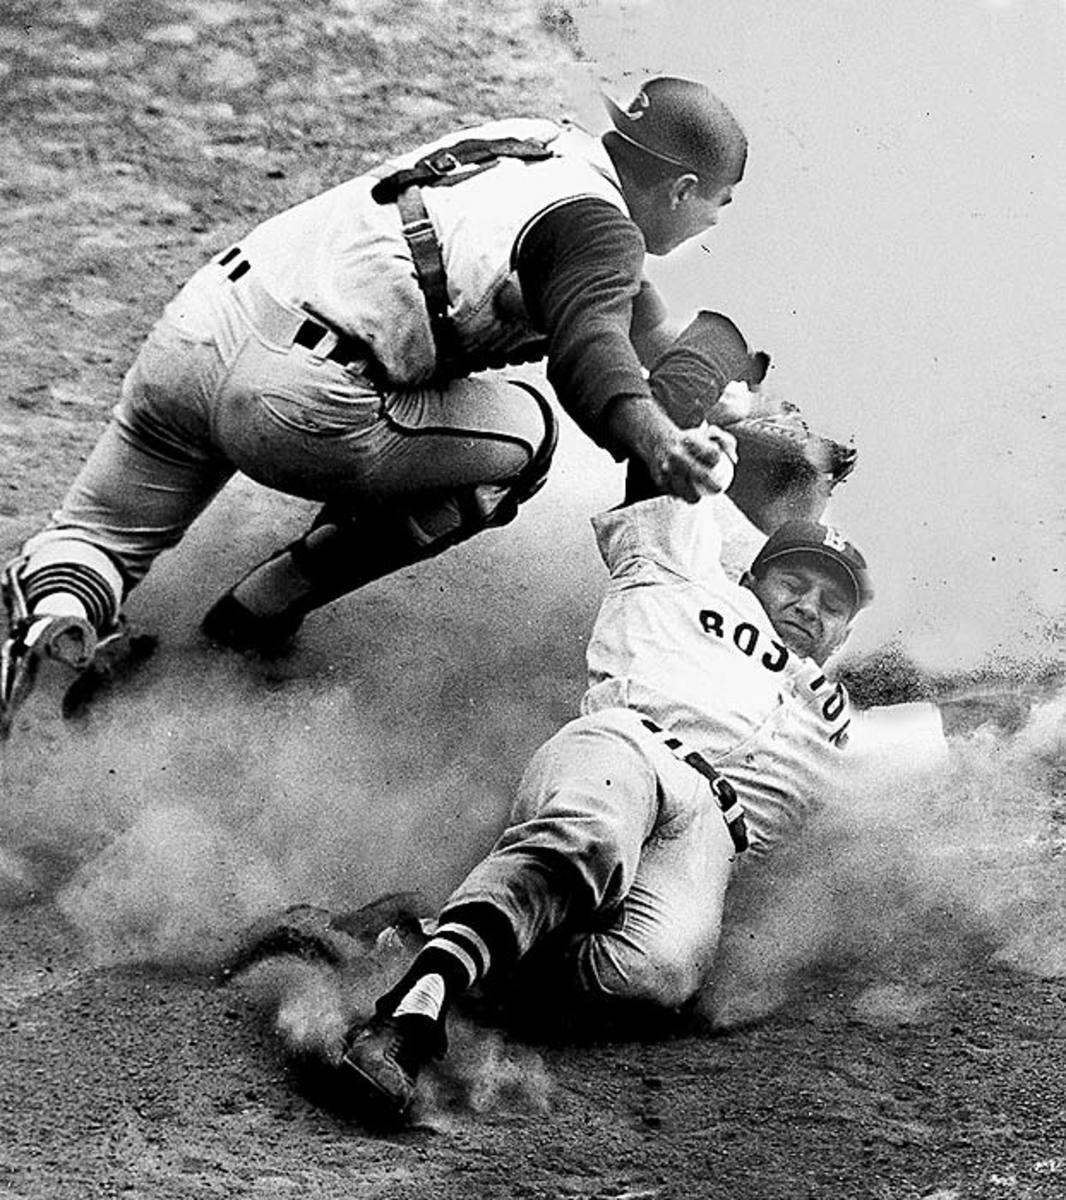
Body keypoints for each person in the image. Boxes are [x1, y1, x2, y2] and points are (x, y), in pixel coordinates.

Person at [0, 75, 753, 732]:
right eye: (717, 204)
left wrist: (716, 377)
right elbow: (591, 343)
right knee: (528, 440)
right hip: (298, 398)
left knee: (96, 536)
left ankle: (56, 617)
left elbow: (624, 310)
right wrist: (657, 438)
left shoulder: (535, 142)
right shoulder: (601, 231)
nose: (713, 222)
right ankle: (261, 612)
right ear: (682, 189)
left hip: (202, 328)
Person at [331, 455, 899, 1122]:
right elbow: (665, 450)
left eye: (833, 604)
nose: (810, 605)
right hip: (629, 746)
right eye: (794, 583)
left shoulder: (847, 728)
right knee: (591, 837)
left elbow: (986, 764)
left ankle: (416, 935)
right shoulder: (685, 576)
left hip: (712, 832)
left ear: (845, 635)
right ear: (753, 578)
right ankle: (404, 1020)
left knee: (656, 975)